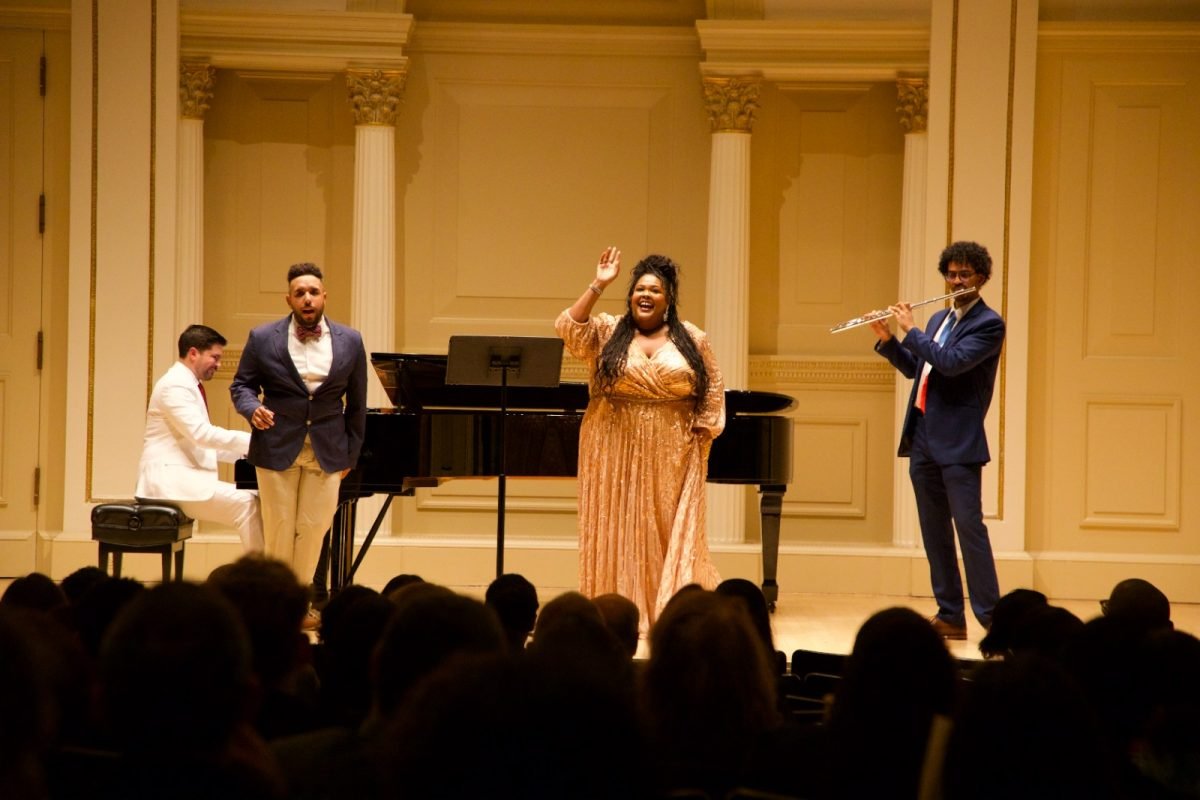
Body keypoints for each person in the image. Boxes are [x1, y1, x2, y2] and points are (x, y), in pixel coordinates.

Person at [556, 247, 725, 634]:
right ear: (631, 295)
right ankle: (615, 609)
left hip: (672, 451)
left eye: (655, 290)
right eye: (639, 289)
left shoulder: (692, 338)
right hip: (612, 445)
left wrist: (700, 439)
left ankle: (669, 611)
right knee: (618, 527)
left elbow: (713, 390)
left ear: (668, 299)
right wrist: (598, 284)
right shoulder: (607, 331)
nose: (645, 295)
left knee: (663, 530)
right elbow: (568, 328)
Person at [870, 240, 1004, 640]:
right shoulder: (938, 320)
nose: (956, 281)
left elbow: (951, 363)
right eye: (951, 274)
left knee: (969, 530)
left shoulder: (988, 324)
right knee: (934, 531)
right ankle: (950, 614)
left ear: (982, 278)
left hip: (959, 442)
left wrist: (910, 329)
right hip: (924, 436)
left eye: (965, 274)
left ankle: (994, 620)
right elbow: (919, 368)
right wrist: (888, 340)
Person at [231, 263, 367, 589]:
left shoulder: (351, 340)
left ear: (324, 297)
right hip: (276, 444)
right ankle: (277, 601)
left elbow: (358, 403)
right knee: (279, 528)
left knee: (314, 528)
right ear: (289, 299)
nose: (307, 298)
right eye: (300, 293)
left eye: (313, 292)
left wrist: (351, 453)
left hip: (328, 449)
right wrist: (252, 408)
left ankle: (299, 600)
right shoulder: (263, 337)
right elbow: (241, 386)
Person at [137, 324, 263, 551]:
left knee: (254, 499)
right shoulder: (175, 385)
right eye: (215, 357)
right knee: (248, 505)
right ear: (193, 353)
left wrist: (250, 453)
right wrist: (256, 443)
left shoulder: (186, 384)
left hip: (179, 480)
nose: (219, 364)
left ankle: (265, 567)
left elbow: (202, 444)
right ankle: (262, 572)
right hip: (169, 483)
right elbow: (201, 435)